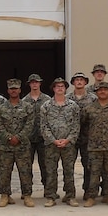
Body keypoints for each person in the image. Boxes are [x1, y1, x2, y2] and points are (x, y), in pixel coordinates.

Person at [40, 77, 82, 206]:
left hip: (68, 144)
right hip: (51, 145)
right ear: (53, 88)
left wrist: (68, 139)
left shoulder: (73, 106)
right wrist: (53, 140)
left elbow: (76, 125)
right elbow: (43, 126)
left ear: (65, 89)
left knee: (68, 171)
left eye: (62, 86)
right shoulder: (46, 106)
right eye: (57, 86)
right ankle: (51, 196)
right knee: (51, 171)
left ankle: (70, 196)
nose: (59, 88)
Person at [0, 78, 34, 207]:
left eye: (16, 88)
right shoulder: (0, 108)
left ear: (20, 90)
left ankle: (27, 196)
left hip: (23, 146)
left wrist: (19, 137)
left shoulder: (28, 107)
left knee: (25, 172)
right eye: (11, 89)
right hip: (5, 146)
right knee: (4, 172)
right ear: (8, 91)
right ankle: (5, 196)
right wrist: (9, 138)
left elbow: (30, 125)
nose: (14, 91)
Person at [22, 74, 50, 197]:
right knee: (26, 166)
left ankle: (48, 189)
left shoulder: (47, 100)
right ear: (29, 84)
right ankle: (27, 191)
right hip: (28, 139)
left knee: (45, 165)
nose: (34, 84)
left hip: (43, 139)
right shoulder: (24, 101)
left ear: (40, 83)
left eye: (36, 82)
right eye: (32, 82)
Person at [68, 72, 95, 196]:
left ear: (85, 82)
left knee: (88, 165)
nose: (79, 82)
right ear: (73, 82)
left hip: (88, 137)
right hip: (70, 138)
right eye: (76, 80)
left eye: (81, 80)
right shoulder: (67, 98)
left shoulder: (93, 98)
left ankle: (88, 191)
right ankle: (69, 193)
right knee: (68, 166)